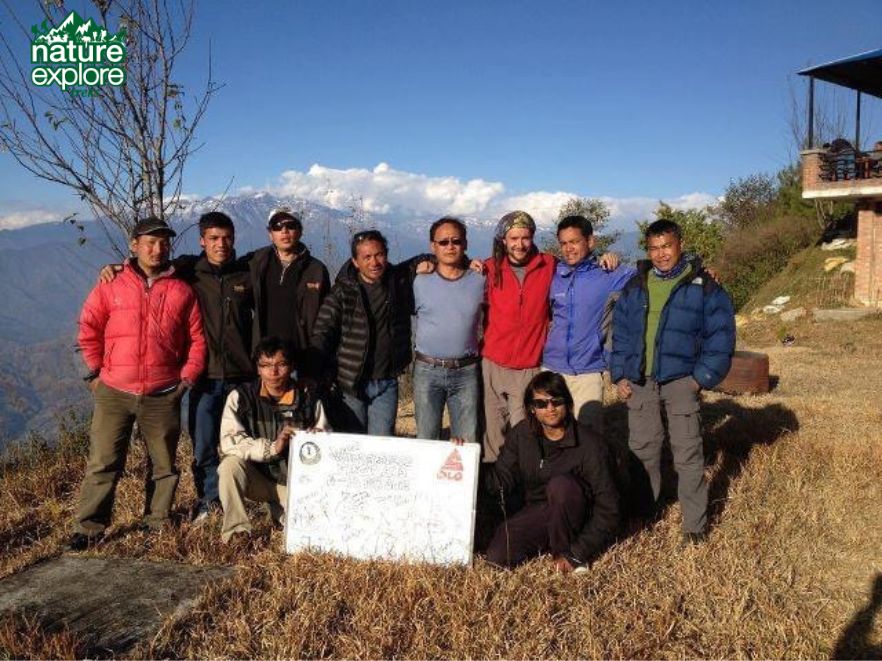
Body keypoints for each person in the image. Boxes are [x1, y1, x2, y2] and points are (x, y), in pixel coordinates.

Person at [98, 211, 255, 522]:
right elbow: (147, 271)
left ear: (234, 240)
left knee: (247, 443)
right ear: (202, 241)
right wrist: (116, 268)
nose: (220, 244)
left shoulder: (248, 272)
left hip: (244, 375)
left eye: (226, 238)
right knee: (205, 446)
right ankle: (209, 503)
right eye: (213, 238)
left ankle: (250, 499)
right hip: (205, 376)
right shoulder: (187, 270)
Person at [68, 217, 206, 550]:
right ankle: (89, 528)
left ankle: (156, 523)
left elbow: (197, 340)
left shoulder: (181, 290)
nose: (157, 249)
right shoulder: (110, 284)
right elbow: (88, 329)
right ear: (134, 245)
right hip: (114, 391)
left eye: (163, 243)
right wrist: (93, 376)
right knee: (103, 462)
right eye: (149, 243)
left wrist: (185, 382)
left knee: (163, 465)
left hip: (162, 392)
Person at [610, 219, 735, 545]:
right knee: (643, 449)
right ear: (647, 250)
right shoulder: (636, 284)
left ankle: (694, 526)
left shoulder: (703, 285)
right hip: (640, 380)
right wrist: (621, 374)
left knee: (687, 453)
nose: (661, 254)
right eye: (654, 248)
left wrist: (700, 379)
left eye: (666, 246)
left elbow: (721, 336)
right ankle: (644, 512)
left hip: (682, 379)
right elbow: (620, 333)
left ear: (680, 244)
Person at [481, 211, 619, 463]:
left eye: (525, 237)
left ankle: (529, 485)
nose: (519, 244)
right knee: (493, 433)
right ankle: (493, 488)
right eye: (513, 238)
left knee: (527, 433)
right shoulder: (489, 268)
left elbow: (583, 270)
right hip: (492, 363)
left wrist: (606, 258)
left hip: (530, 365)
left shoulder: (550, 266)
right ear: (503, 240)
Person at [482, 371, 619, 571]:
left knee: (561, 486)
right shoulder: (522, 435)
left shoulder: (591, 445)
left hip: (578, 516)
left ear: (568, 403)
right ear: (531, 409)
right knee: (497, 556)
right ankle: (548, 540)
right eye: (541, 404)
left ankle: (567, 553)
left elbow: (609, 509)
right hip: (540, 511)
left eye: (557, 401)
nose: (550, 408)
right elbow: (501, 479)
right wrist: (466, 460)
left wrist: (579, 551)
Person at [309, 230, 423, 435]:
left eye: (379, 255)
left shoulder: (396, 282)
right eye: (367, 257)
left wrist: (433, 261)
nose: (374, 262)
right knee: (353, 443)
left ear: (386, 255)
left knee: (381, 443)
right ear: (355, 261)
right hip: (350, 383)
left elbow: (423, 259)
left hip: (386, 381)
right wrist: (315, 368)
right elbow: (323, 331)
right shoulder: (342, 291)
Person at [217, 336, 328, 543]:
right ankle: (236, 532)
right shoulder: (241, 397)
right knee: (229, 466)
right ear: (258, 369)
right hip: (257, 479)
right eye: (266, 366)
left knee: (311, 534)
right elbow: (230, 441)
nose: (273, 372)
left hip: (295, 484)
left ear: (291, 366)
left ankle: (280, 513)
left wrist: (318, 441)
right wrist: (273, 447)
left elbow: (326, 437)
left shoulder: (308, 398)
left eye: (281, 365)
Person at [542, 215, 636, 435]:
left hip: (588, 370)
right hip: (551, 368)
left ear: (590, 242)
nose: (568, 249)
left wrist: (701, 271)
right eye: (563, 243)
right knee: (550, 435)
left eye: (574, 241)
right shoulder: (554, 275)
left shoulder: (610, 274)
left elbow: (655, 272)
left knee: (587, 437)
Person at [412, 217, 485, 443]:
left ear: (465, 244)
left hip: (466, 371)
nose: (450, 246)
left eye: (456, 241)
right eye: (443, 242)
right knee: (426, 439)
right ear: (433, 246)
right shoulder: (419, 280)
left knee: (467, 440)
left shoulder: (481, 280)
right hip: (427, 370)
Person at [250, 206, 330, 369]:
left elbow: (327, 317)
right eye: (278, 227)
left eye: (290, 226)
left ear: (300, 231)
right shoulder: (256, 263)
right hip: (265, 359)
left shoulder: (315, 269)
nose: (284, 231)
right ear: (270, 234)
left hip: (301, 357)